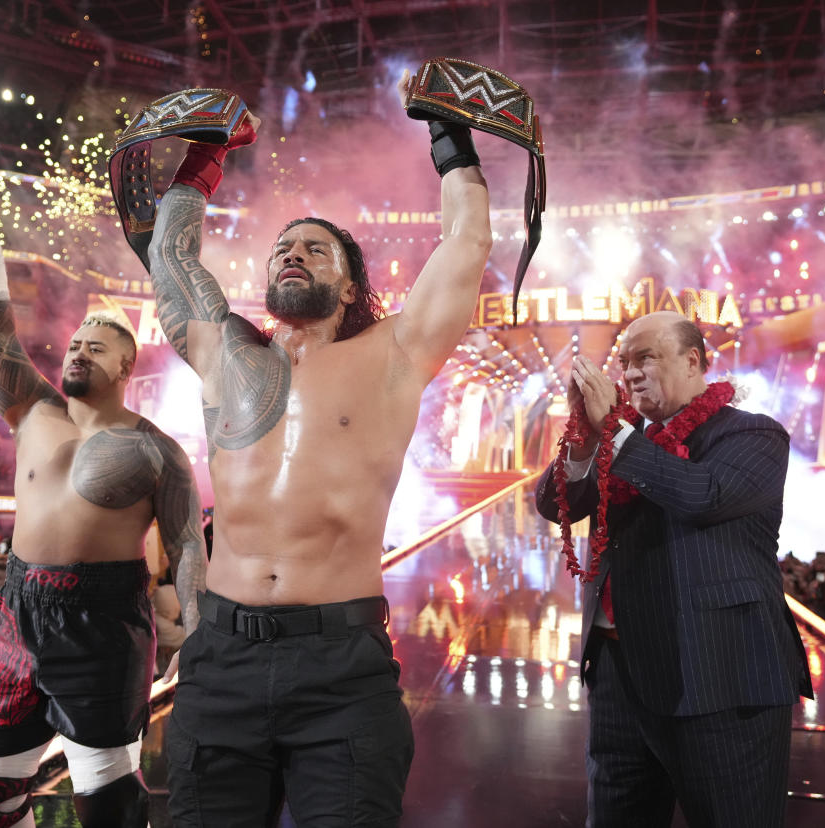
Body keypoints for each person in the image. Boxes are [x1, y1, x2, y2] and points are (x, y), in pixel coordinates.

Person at [136, 72, 492, 826]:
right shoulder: (227, 354)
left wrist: (450, 138)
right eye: (283, 249)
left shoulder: (393, 355)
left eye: (316, 249)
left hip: (342, 669)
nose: (293, 255)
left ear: (352, 280)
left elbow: (466, 244)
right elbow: (170, 260)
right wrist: (204, 155)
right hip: (221, 660)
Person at [0, 171, 207, 828]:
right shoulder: (32, 409)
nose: (79, 352)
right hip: (19, 607)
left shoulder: (158, 450)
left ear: (125, 367)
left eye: (97, 347)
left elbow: (185, 548)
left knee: (108, 806)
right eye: (75, 344)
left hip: (103, 623)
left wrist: (202, 637)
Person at [534, 311, 812, 828]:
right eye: (624, 363)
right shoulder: (619, 442)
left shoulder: (753, 435)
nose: (631, 373)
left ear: (693, 360)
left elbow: (701, 495)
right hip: (620, 672)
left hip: (718, 674)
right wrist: (583, 441)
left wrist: (614, 432)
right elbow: (556, 505)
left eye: (646, 358)